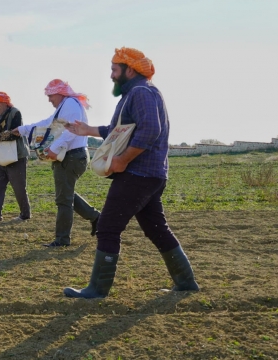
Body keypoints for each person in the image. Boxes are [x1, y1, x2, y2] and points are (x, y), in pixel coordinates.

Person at [62, 47, 199, 298]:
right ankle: (187, 282)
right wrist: (86, 130)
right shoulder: (136, 93)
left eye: (115, 69)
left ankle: (97, 290)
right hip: (151, 175)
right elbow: (118, 130)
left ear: (130, 70)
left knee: (107, 227)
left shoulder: (140, 92)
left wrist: (123, 160)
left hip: (138, 174)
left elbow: (150, 131)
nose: (112, 75)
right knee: (157, 228)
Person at [12, 80, 100, 247]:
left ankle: (62, 240)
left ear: (60, 93)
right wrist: (23, 129)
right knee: (66, 194)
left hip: (71, 157)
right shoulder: (66, 105)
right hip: (73, 156)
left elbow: (71, 130)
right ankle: (96, 218)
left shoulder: (70, 105)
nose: (49, 99)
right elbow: (47, 123)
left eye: (50, 95)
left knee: (63, 200)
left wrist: (54, 147)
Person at [0, 92, 32, 222]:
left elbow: (15, 133)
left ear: (6, 103)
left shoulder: (16, 113)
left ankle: (25, 215)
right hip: (2, 156)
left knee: (19, 187)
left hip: (18, 155)